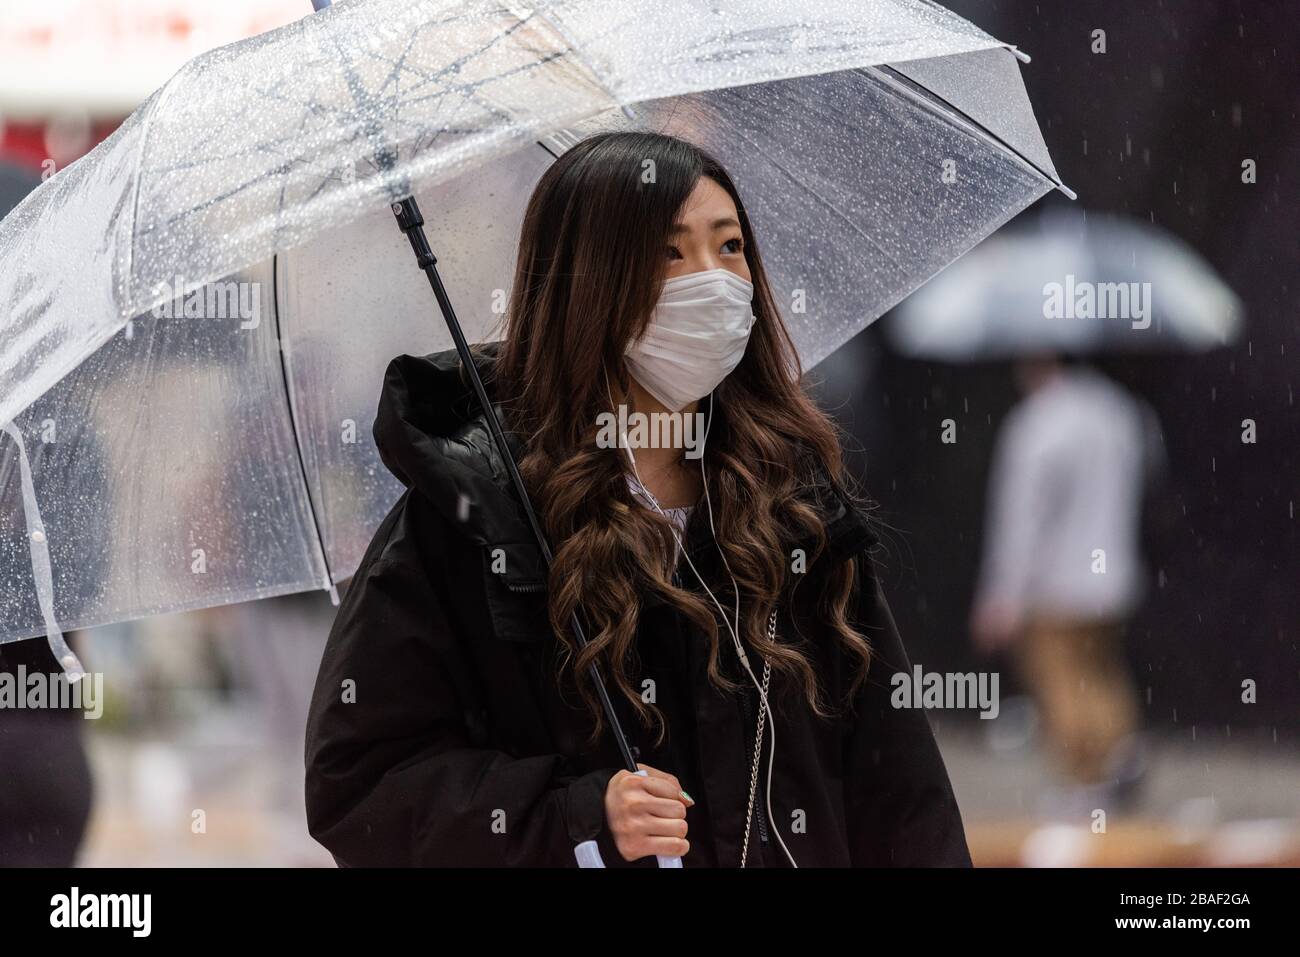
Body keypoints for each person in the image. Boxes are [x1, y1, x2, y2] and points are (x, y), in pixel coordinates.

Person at [304, 131, 970, 867]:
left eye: (731, 247)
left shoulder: (796, 504)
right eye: (670, 254)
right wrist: (577, 817)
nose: (714, 281)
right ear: (591, 280)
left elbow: (900, 784)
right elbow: (361, 786)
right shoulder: (477, 518)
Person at [971, 355, 1160, 809]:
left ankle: (1086, 782)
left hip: (1055, 583)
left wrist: (1002, 594)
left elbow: (1021, 518)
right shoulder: (1121, 412)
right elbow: (1151, 475)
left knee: (1062, 682)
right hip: (1112, 577)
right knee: (1100, 672)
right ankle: (1119, 754)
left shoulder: (1036, 424)